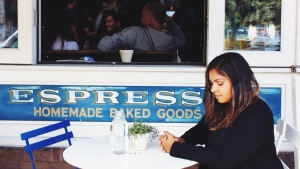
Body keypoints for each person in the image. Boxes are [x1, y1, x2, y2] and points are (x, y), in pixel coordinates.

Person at [159, 52, 283, 169]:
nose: (213, 89)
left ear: (238, 81)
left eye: (220, 83)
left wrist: (176, 148)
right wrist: (182, 140)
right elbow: (202, 130)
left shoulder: (256, 113)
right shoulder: (224, 105)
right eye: (211, 83)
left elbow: (225, 159)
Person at [97, 1, 185, 53]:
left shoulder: (134, 33)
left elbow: (103, 46)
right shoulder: (171, 41)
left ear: (149, 19)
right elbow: (183, 41)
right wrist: (172, 23)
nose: (140, 18)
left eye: (143, 15)